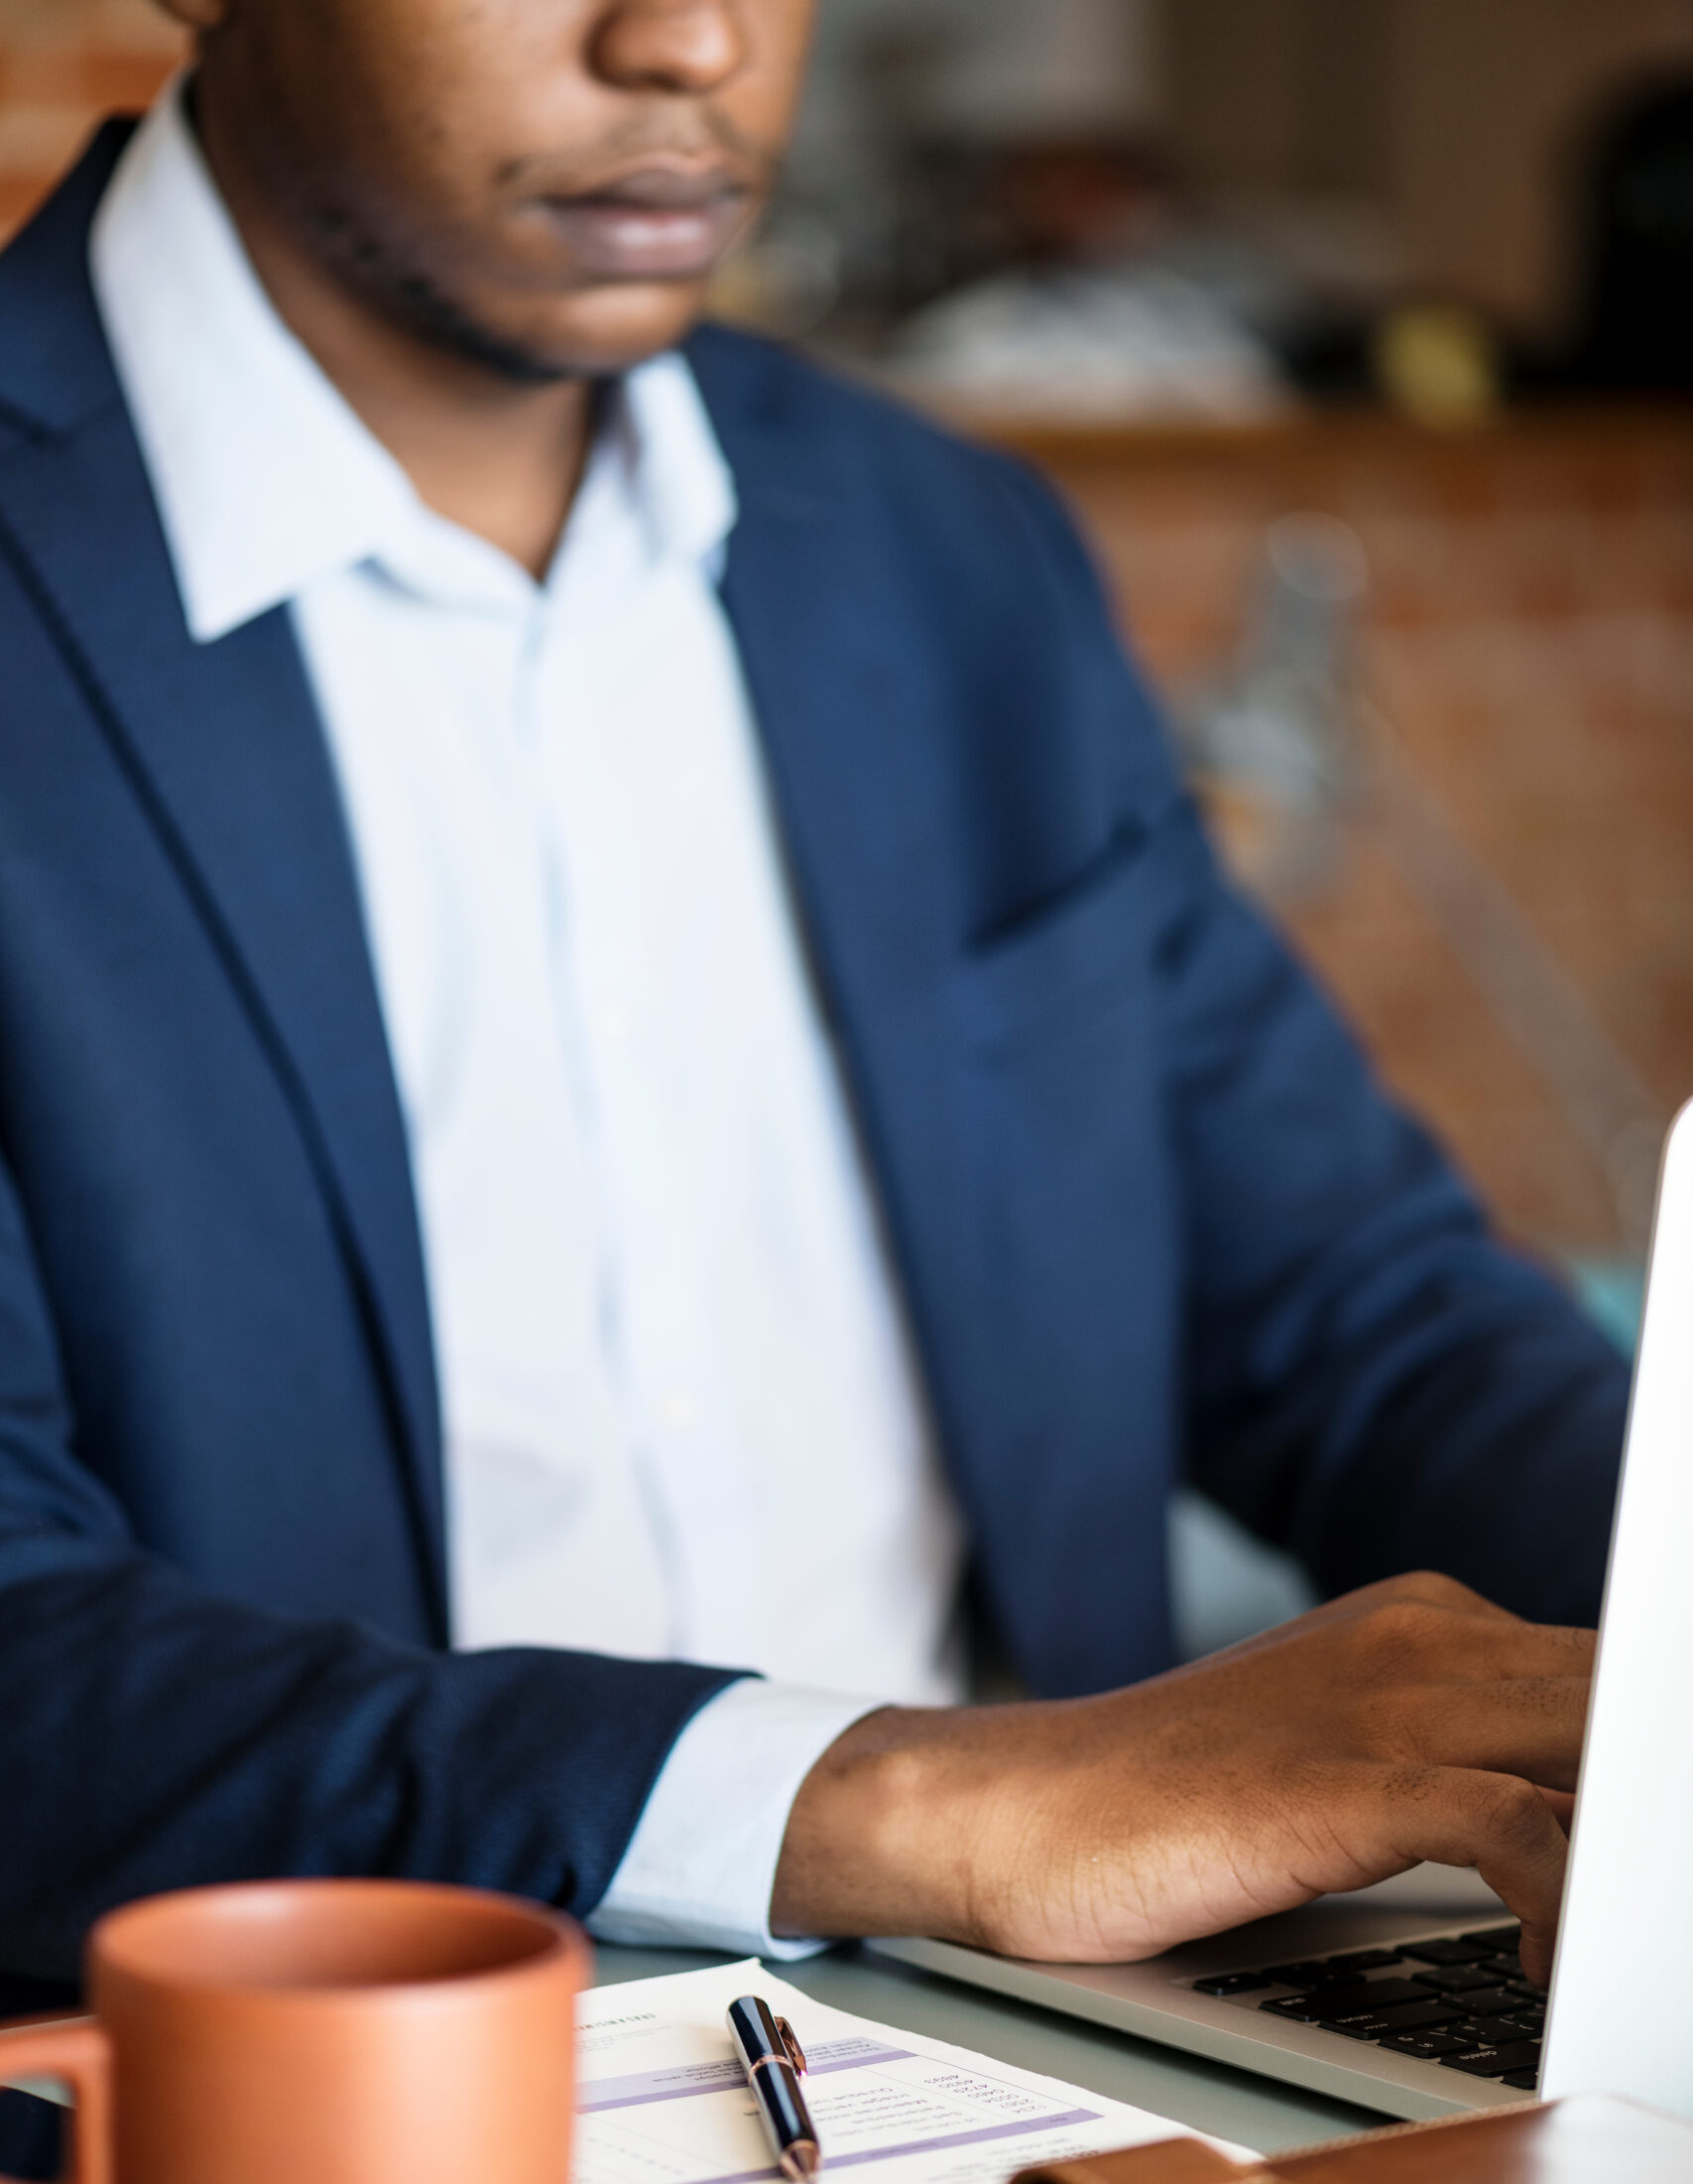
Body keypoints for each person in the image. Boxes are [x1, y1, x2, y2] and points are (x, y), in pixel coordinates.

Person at [0, 0, 1625, 2043]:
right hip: (308, 2134)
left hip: (1109, 2085)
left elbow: (1347, 1318)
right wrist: (919, 1800)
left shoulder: (950, 552)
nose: (686, 41)